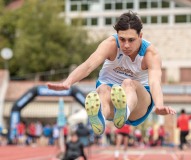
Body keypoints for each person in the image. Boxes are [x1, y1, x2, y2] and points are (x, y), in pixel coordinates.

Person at [47, 11, 176, 136]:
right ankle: (100, 118)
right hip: (111, 99)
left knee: (128, 83)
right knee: (103, 89)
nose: (126, 45)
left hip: (139, 103)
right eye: (122, 39)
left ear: (140, 36)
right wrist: (68, 82)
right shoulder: (110, 44)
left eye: (131, 40)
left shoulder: (150, 53)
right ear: (117, 35)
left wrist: (159, 106)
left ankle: (124, 110)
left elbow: (154, 83)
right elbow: (88, 66)